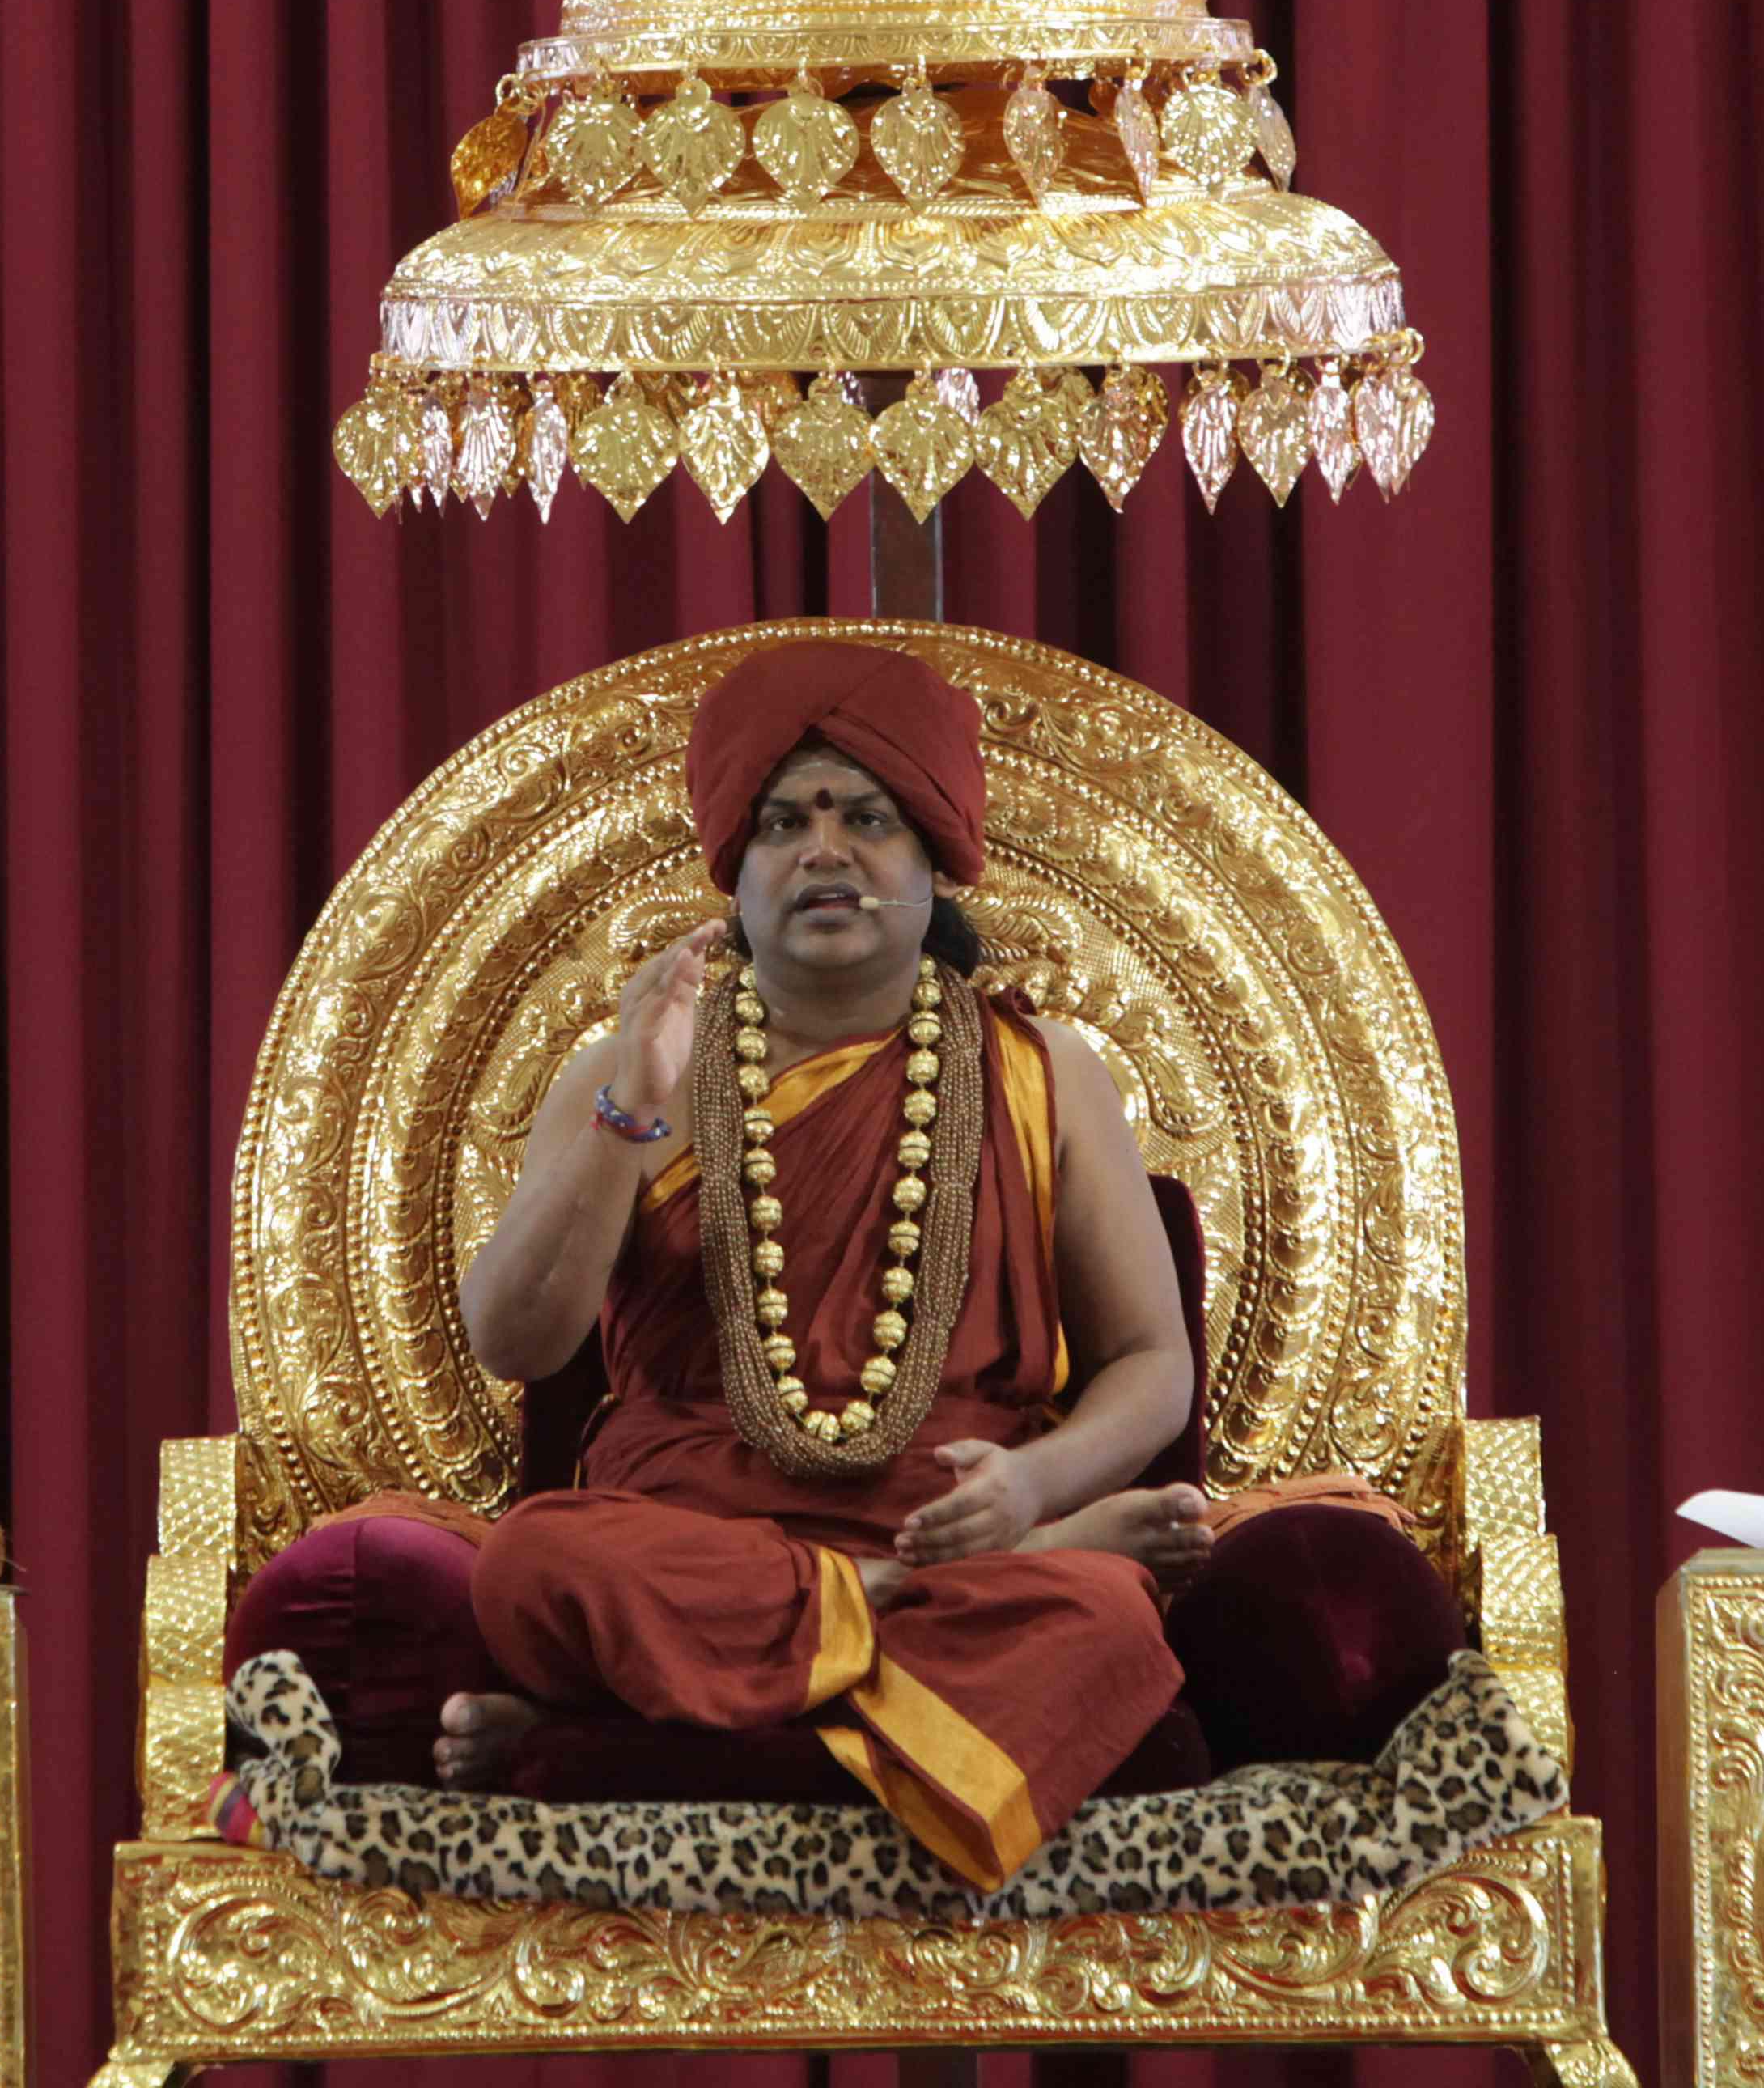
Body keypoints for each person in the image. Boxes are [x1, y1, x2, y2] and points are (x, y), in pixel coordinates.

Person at [436, 641, 1211, 1888]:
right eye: (784, 822)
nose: (825, 851)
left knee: (1110, 1622)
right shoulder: (631, 1074)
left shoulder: (1043, 1074)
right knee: (535, 1568)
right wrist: (631, 1108)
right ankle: (872, 1620)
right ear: (735, 872)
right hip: (698, 1538)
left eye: (868, 819)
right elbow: (515, 1340)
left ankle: (656, 1715)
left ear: (934, 861)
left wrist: (1030, 1490)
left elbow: (1152, 1362)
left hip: (960, 1524)